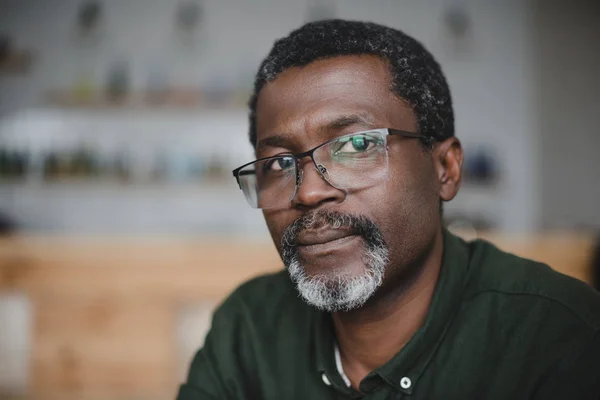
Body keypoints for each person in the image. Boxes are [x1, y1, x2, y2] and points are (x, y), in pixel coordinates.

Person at [177, 19, 600, 399]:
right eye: (279, 164)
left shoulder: (560, 336)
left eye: (356, 145)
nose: (307, 194)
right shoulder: (248, 327)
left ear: (445, 168)